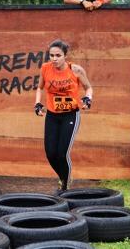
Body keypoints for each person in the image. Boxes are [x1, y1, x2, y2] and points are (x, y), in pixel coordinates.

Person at [34, 39, 93, 191]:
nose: (54, 59)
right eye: (51, 55)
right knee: (50, 153)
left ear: (65, 55)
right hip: (52, 116)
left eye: (58, 55)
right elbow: (39, 88)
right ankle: (63, 177)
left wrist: (88, 98)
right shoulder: (45, 68)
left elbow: (88, 88)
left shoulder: (76, 70)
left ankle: (65, 186)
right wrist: (38, 103)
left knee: (62, 153)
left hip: (70, 115)